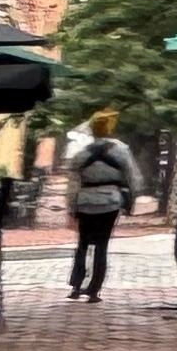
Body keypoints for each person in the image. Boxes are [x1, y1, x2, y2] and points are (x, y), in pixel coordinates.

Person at [63, 111, 140, 300]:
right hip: (110, 202)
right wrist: (131, 200)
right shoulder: (120, 151)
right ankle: (94, 290)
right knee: (101, 245)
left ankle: (76, 285)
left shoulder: (82, 154)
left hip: (86, 201)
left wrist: (72, 206)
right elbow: (132, 178)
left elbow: (73, 183)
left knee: (82, 243)